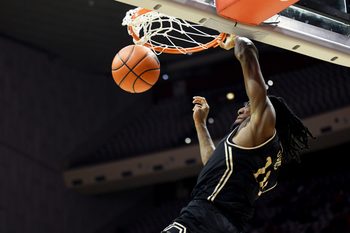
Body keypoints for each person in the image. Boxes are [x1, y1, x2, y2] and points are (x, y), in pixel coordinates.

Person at [161, 35, 314, 233]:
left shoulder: (262, 127)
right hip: (227, 225)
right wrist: (201, 125)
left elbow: (249, 51)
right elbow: (214, 166)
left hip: (203, 216)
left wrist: (237, 38)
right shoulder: (266, 159)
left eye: (247, 106)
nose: (241, 110)